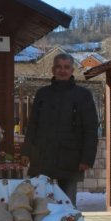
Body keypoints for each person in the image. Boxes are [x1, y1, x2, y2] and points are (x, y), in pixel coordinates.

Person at [20, 53, 98, 206]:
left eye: (66, 67)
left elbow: (91, 129)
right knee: (39, 205)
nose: (62, 71)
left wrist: (87, 158)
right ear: (52, 70)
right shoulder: (43, 94)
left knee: (67, 206)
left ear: (72, 70)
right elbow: (33, 125)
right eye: (58, 67)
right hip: (42, 157)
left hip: (70, 158)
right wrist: (26, 151)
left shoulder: (83, 95)